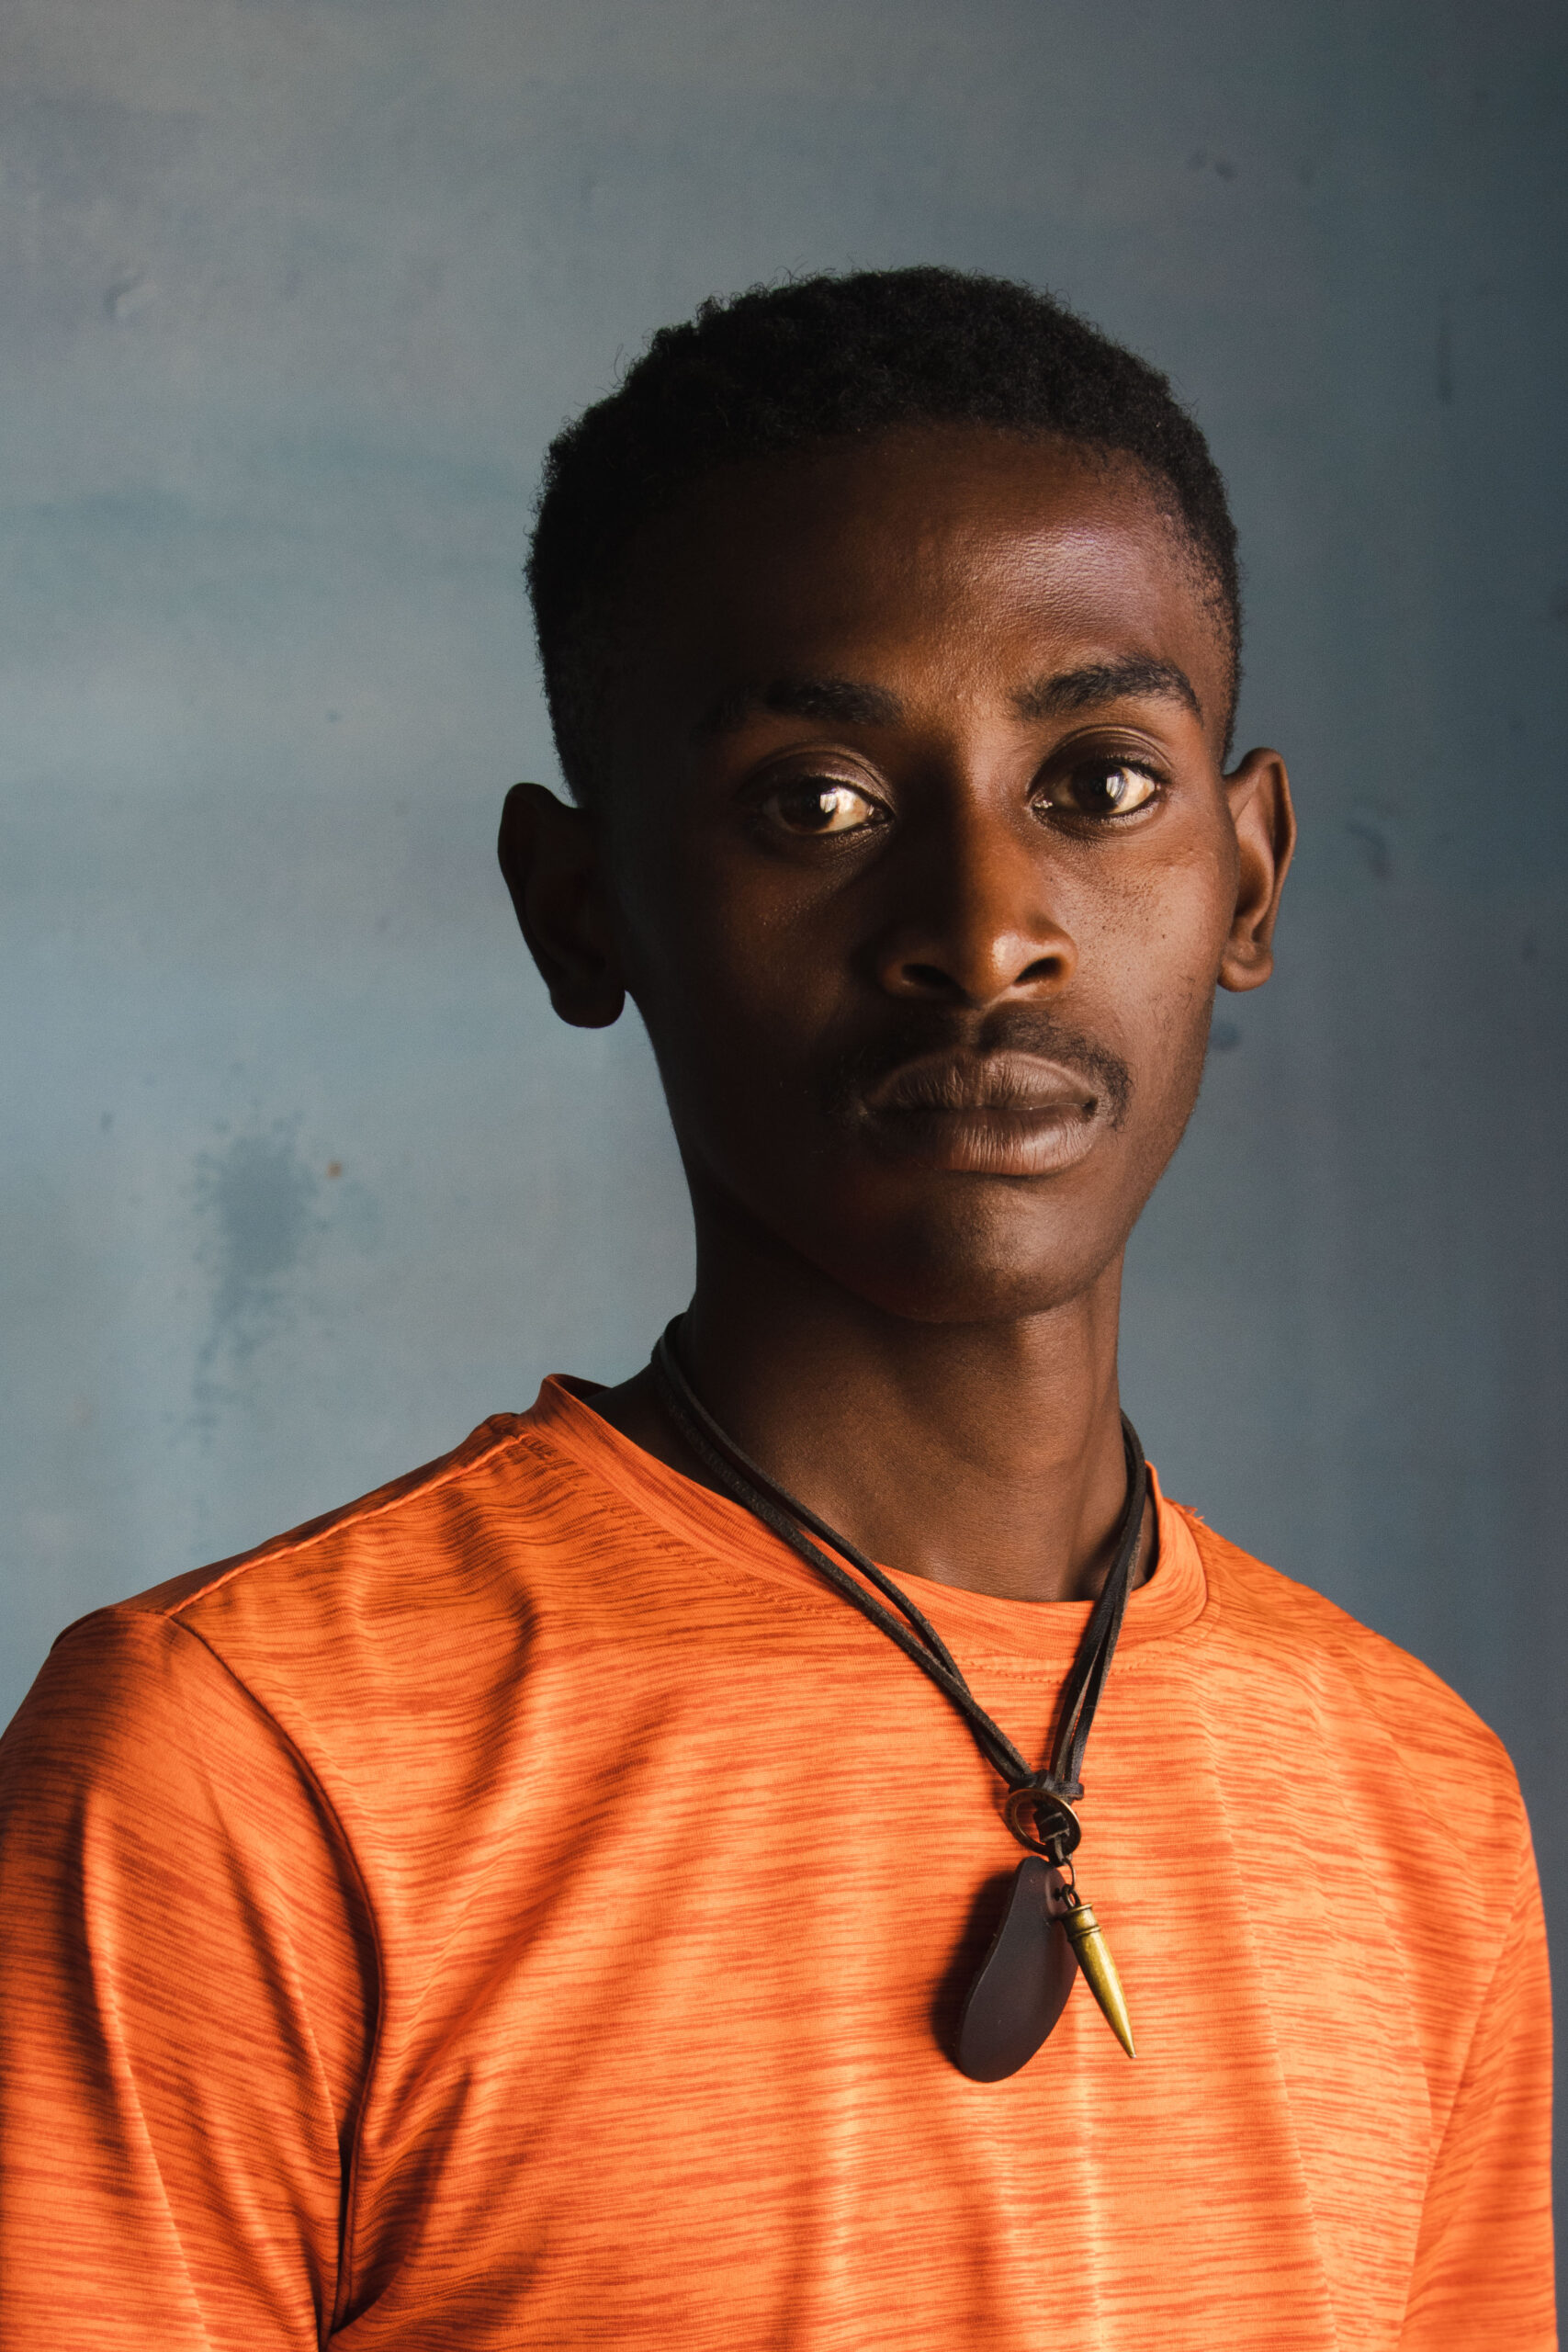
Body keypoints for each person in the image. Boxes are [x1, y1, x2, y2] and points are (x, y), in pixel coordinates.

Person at [0, 268, 1553, 2350]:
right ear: (582, 909)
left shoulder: (1416, 1794)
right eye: (815, 800)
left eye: (1097, 783)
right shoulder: (243, 1763)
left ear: (1249, 876)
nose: (983, 931)